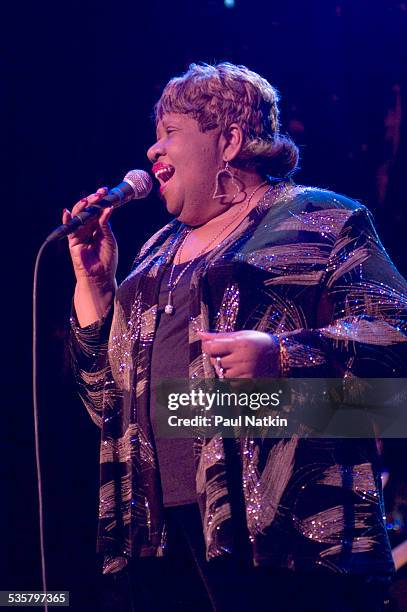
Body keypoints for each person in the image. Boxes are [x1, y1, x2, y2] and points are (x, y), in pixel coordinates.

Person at [66, 63, 407, 611]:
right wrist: (96, 288)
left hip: (285, 539)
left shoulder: (317, 219)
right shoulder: (153, 255)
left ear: (228, 139)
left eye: (170, 133)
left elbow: (397, 337)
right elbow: (109, 406)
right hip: (159, 536)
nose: (153, 151)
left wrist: (284, 357)